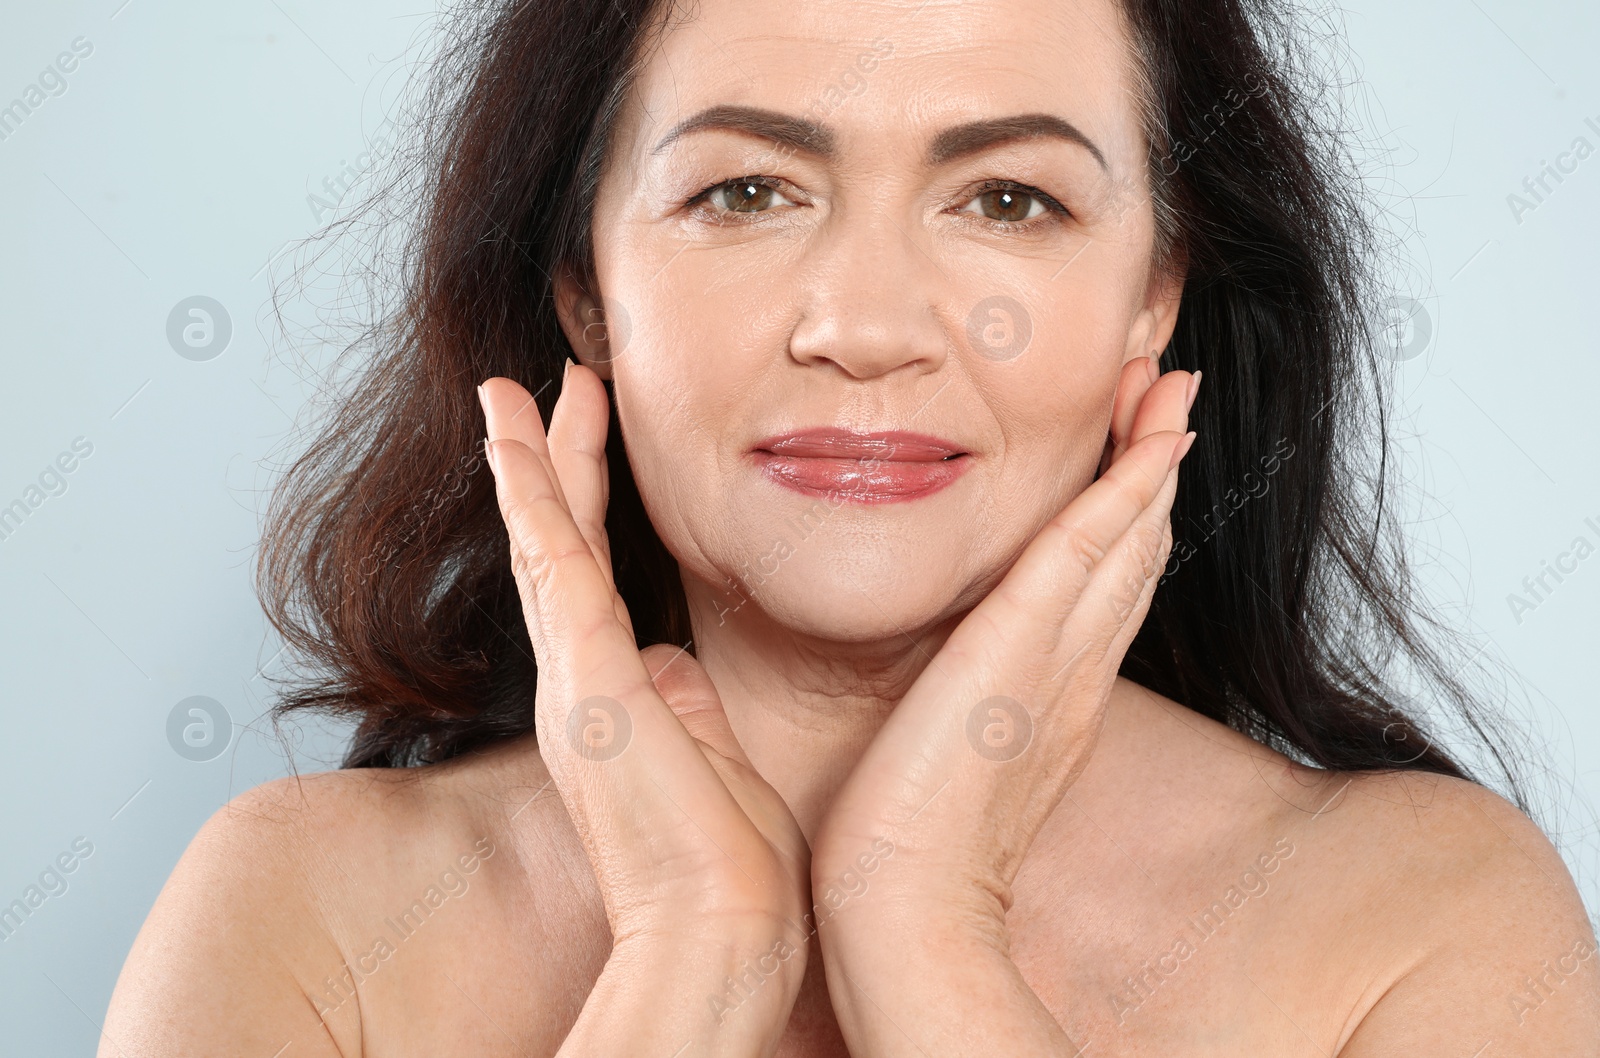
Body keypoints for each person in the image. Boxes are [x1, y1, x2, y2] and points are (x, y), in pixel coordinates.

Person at [102, 0, 1599, 1053]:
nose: (869, 326)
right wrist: (691, 956)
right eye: (747, 189)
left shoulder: (1420, 920)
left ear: (1157, 291)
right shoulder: (293, 920)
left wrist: (926, 932)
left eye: (1009, 199)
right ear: (584, 290)